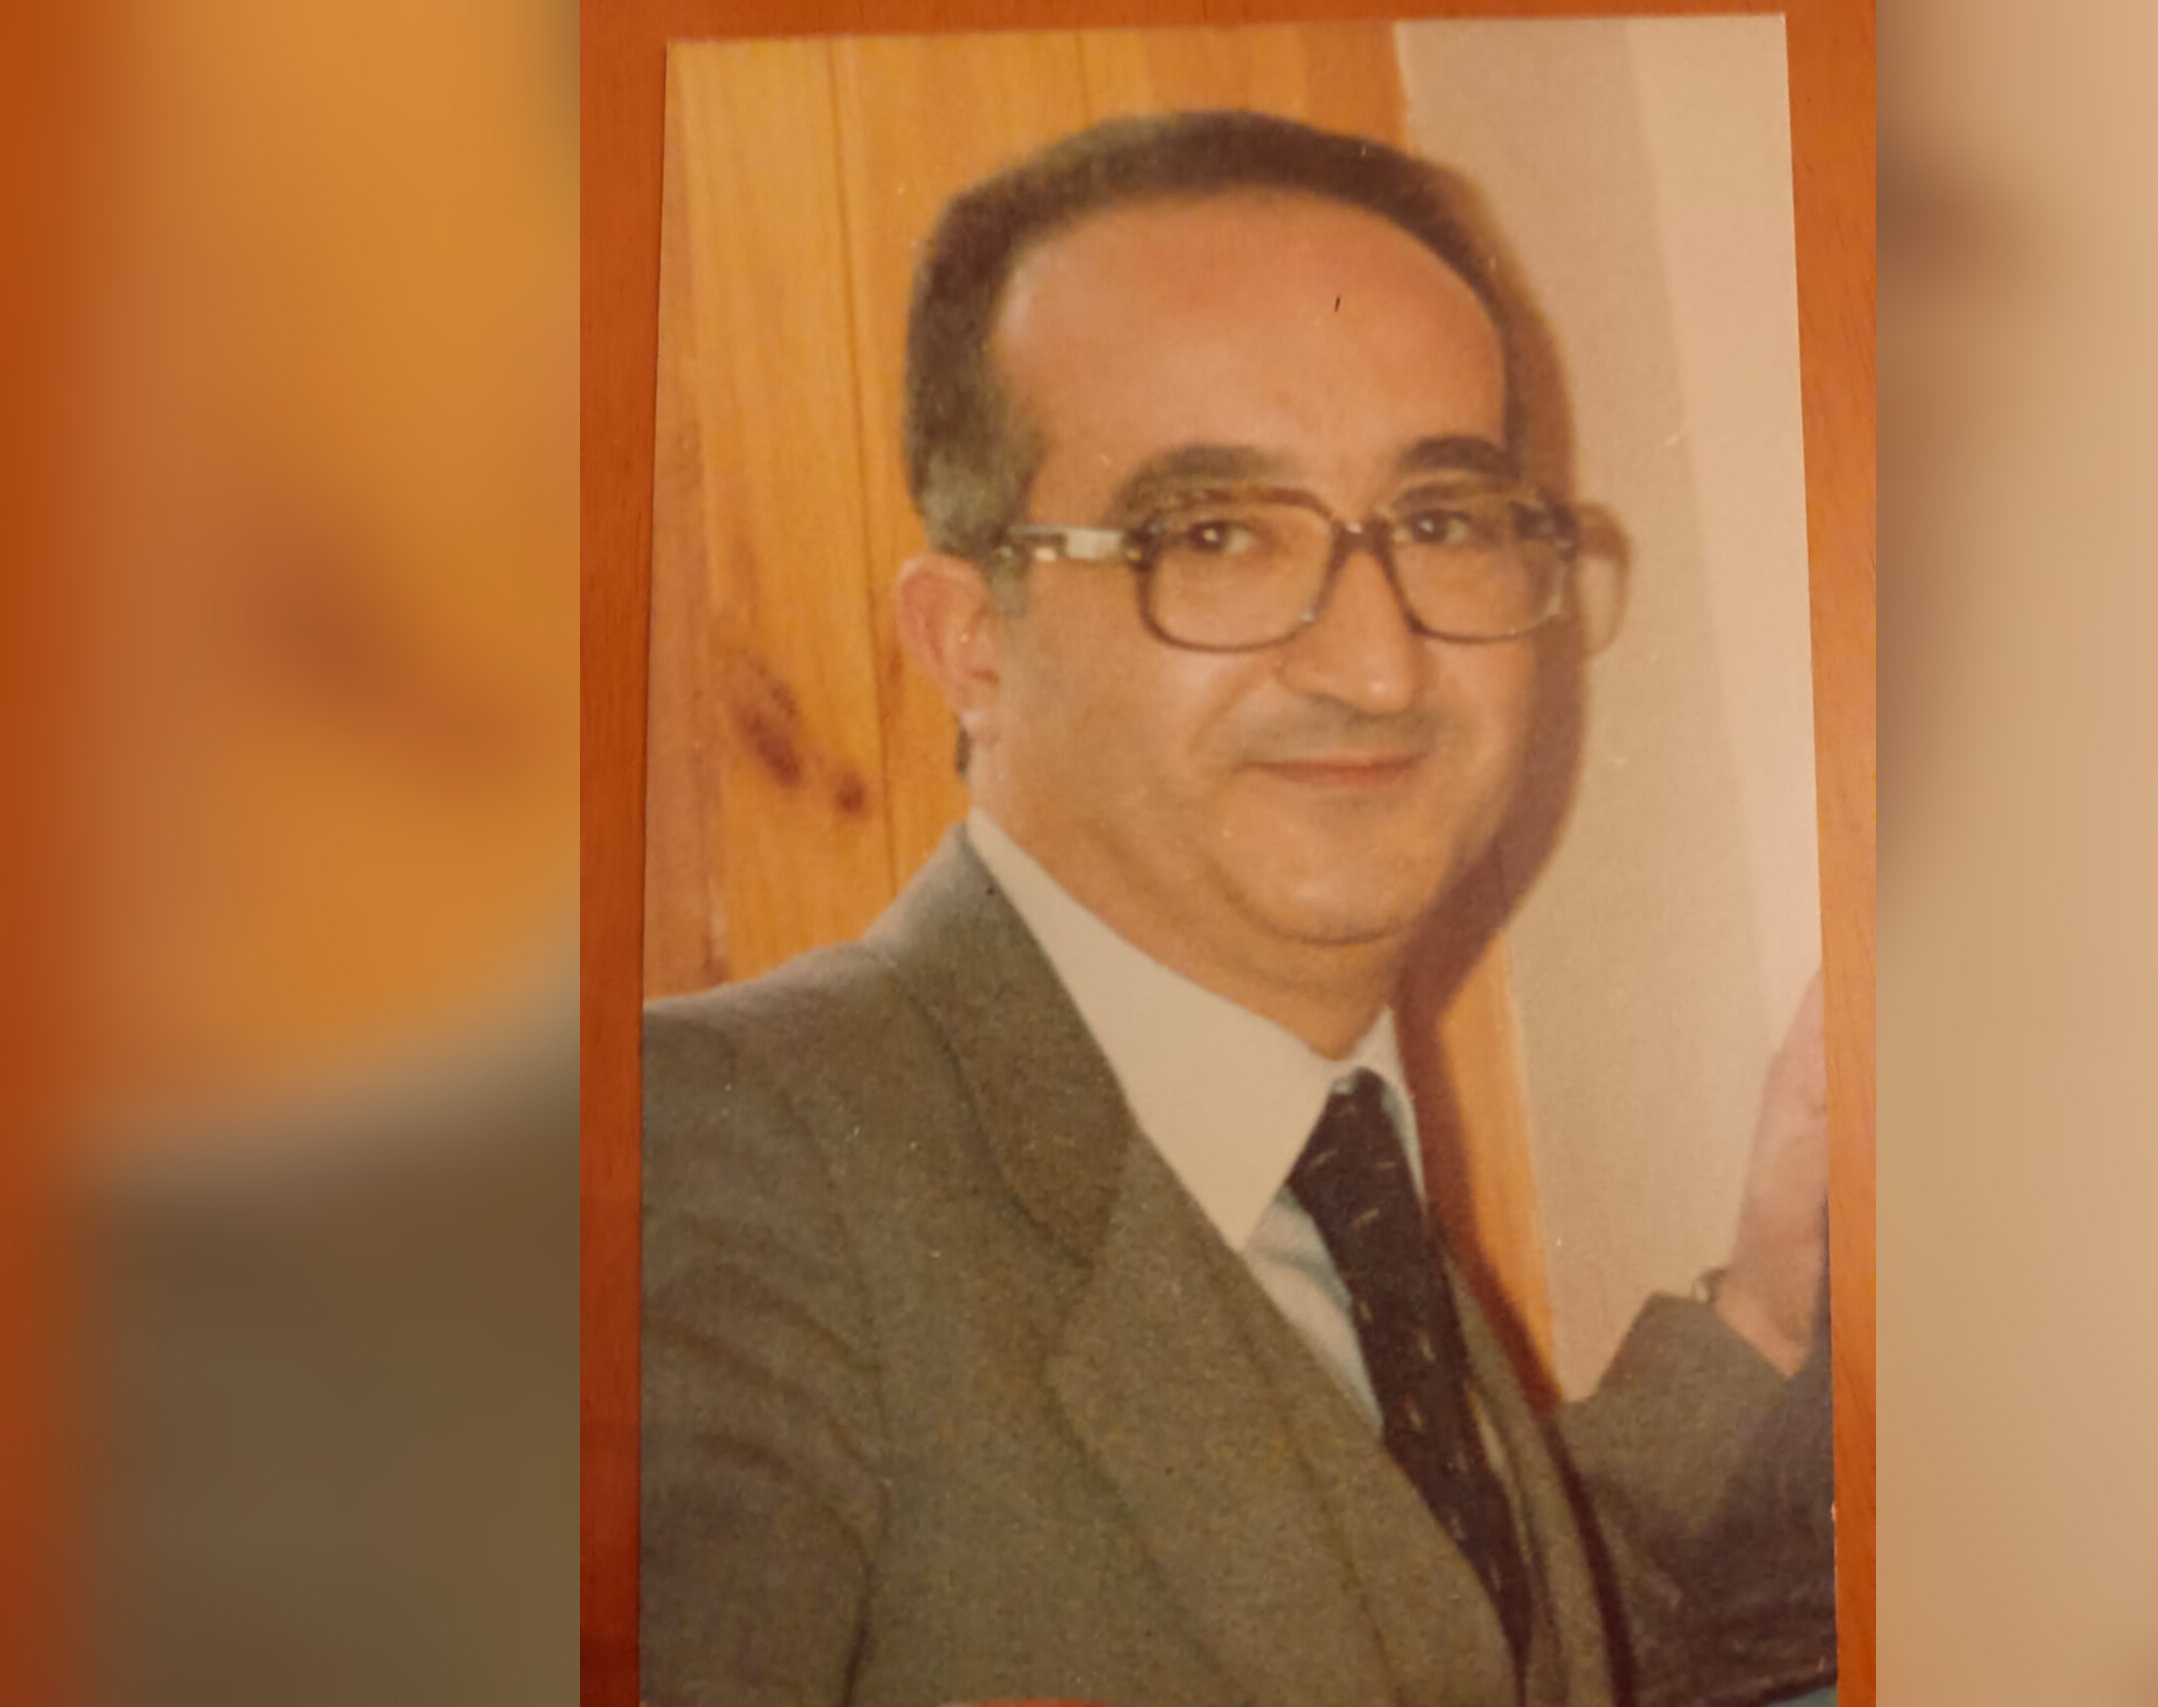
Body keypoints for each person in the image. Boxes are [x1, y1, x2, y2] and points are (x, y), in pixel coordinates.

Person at [640, 111, 1831, 1707]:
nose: (1378, 666)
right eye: (1213, 537)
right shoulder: (705, 1158)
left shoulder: (1334, 1164)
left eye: (1441, 523)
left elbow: (1407, 1637)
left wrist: (1762, 1313)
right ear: (971, 644)